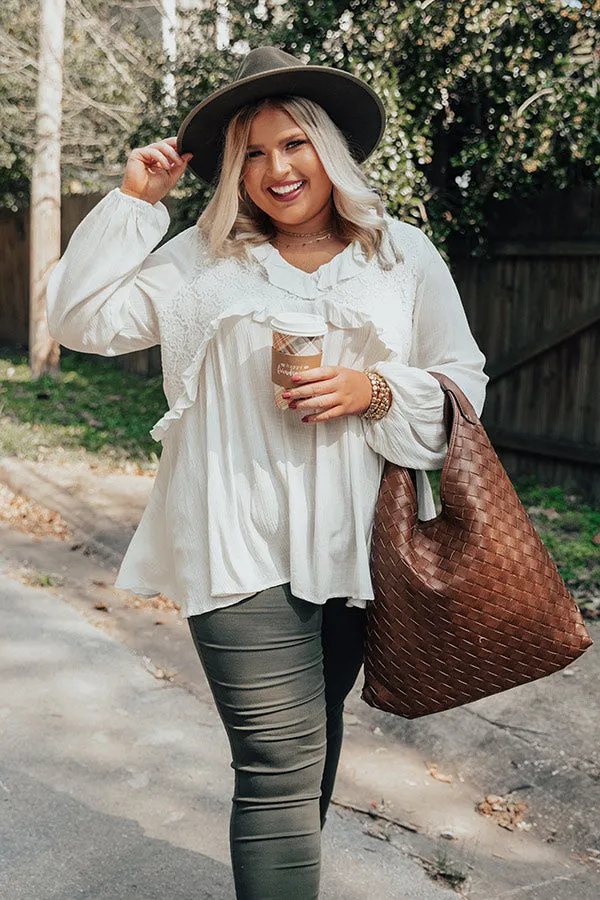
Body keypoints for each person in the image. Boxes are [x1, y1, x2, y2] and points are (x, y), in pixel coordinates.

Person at [47, 46, 487, 900]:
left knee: (307, 749)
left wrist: (374, 389)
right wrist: (135, 203)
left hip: (359, 551)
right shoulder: (201, 259)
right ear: (230, 170)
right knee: (278, 761)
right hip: (237, 537)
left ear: (329, 150)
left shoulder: (402, 256)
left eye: (293, 144)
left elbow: (462, 380)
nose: (275, 169)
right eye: (251, 152)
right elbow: (78, 318)